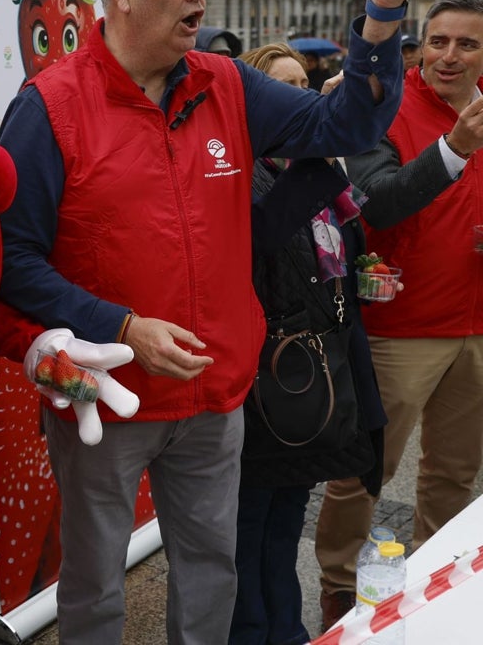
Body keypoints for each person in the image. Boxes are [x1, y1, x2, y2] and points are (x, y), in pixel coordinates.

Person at [0, 0, 442, 644]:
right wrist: (121, 327)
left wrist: (383, 13)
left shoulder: (226, 83)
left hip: (216, 396)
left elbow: (349, 131)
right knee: (96, 581)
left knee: (211, 572)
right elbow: (11, 261)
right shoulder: (48, 107)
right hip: (108, 402)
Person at [314, 0, 483, 630]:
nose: (449, 55)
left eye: (467, 43)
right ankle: (336, 583)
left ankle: (442, 585)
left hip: (477, 322)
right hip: (402, 323)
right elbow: (376, 201)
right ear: (419, 44)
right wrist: (455, 149)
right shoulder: (385, 105)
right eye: (438, 41)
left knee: (455, 473)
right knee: (364, 468)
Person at [228, 43, 386, 645]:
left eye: (305, 84)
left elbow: (337, 257)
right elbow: (261, 250)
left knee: (285, 522)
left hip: (314, 380)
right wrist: (311, 167)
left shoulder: (322, 173)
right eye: (284, 89)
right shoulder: (248, 173)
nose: (300, 98)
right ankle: (253, 633)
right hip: (267, 384)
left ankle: (286, 631)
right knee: (249, 528)